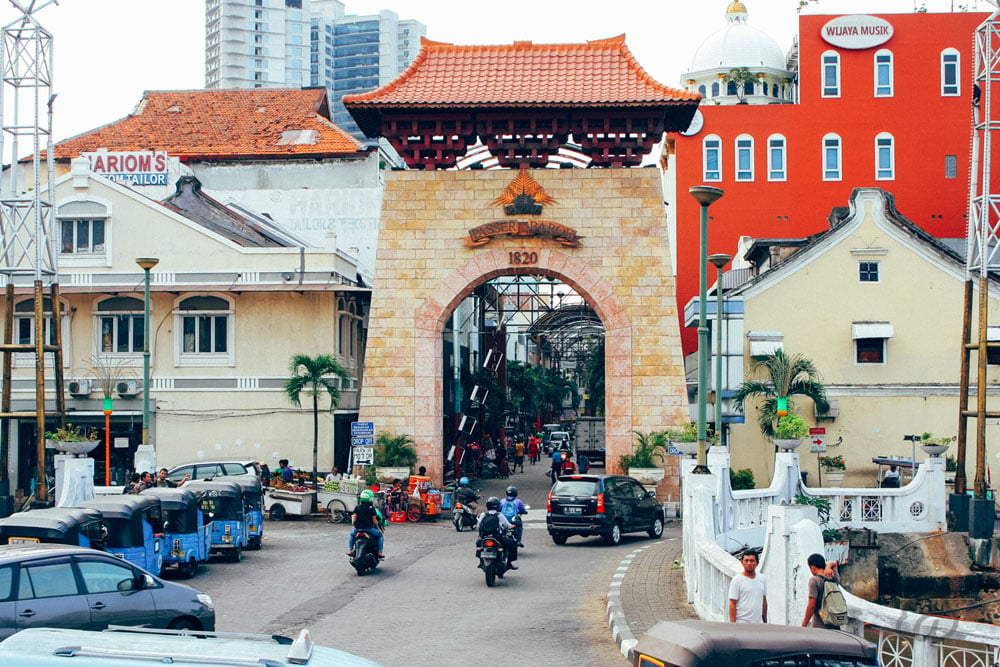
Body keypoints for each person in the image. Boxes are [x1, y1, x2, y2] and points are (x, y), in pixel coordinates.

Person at [477, 496, 518, 570]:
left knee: (479, 545)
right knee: (513, 543)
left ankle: (480, 562)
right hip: (497, 538)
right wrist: (513, 526)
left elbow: (478, 525)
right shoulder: (500, 515)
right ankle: (509, 563)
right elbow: (508, 526)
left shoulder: (483, 515)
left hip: (484, 538)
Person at [802, 553, 840, 628]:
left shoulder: (814, 580)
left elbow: (811, 605)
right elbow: (834, 563)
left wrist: (804, 625)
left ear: (812, 568)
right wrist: (829, 566)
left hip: (820, 626)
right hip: (835, 624)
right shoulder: (833, 577)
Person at [728, 550, 767, 623]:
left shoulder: (762, 579)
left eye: (752, 561)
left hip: (758, 623)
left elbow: (764, 601)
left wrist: (765, 621)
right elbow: (732, 603)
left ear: (757, 563)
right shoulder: (737, 580)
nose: (749, 563)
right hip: (742, 623)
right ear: (742, 562)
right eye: (746, 560)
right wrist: (733, 625)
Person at [347, 489, 385, 559]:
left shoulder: (357, 507)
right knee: (380, 536)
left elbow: (354, 520)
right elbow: (375, 521)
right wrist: (378, 529)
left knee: (352, 535)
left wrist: (355, 526)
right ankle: (380, 552)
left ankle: (350, 550)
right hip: (369, 529)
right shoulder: (372, 509)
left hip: (357, 529)